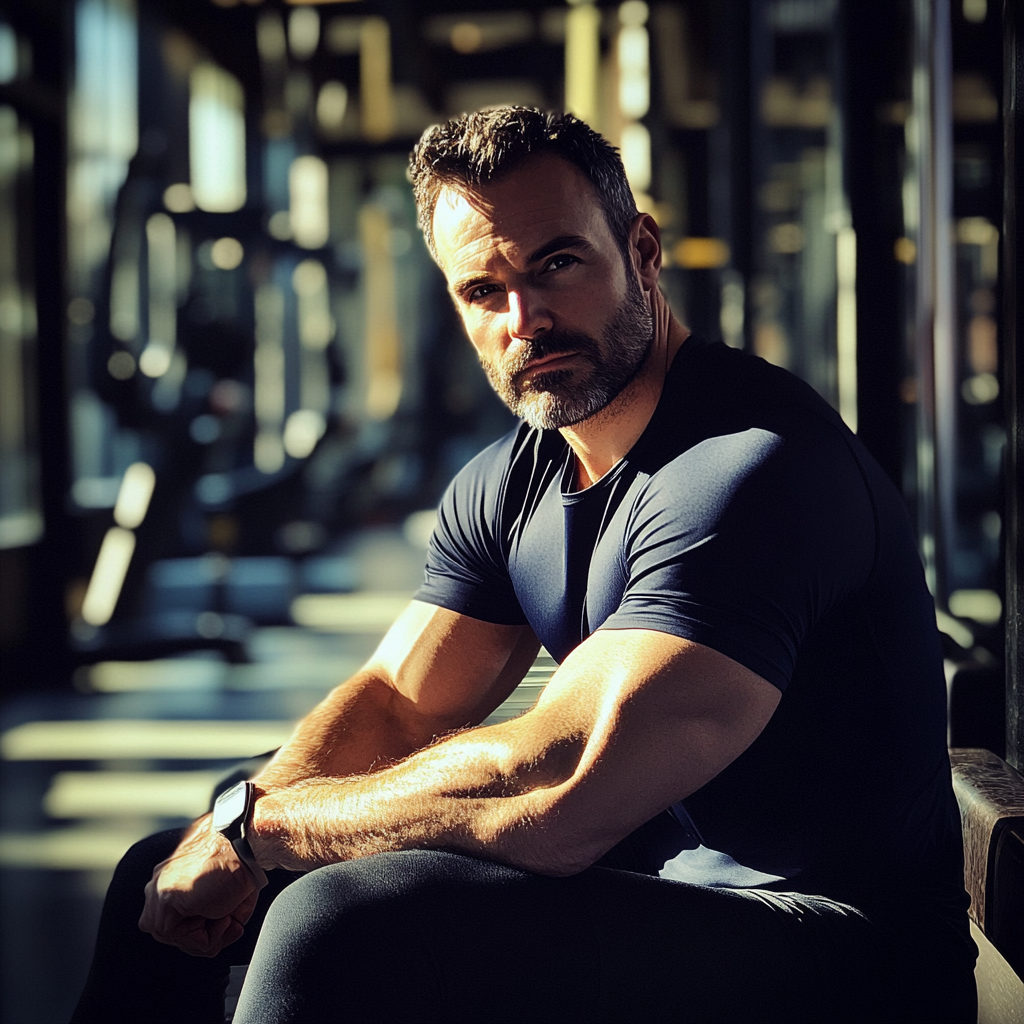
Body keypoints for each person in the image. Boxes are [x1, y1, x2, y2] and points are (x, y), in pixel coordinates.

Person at [71, 107, 977, 1024]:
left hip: (844, 951)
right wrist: (237, 822)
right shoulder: (516, 476)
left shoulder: (750, 469)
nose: (525, 318)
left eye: (558, 263)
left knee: (335, 921)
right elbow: (396, 698)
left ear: (643, 253)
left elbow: (560, 791)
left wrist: (262, 830)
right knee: (163, 874)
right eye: (482, 290)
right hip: (660, 891)